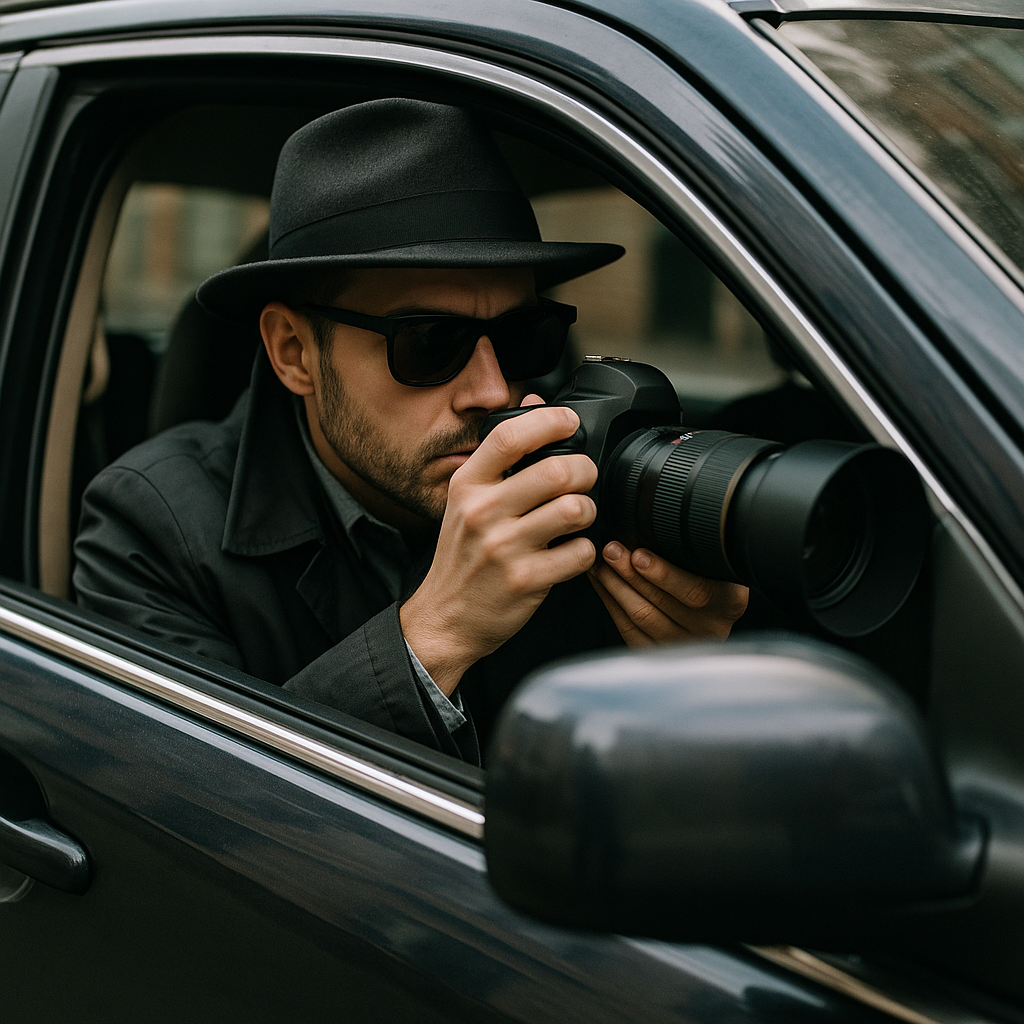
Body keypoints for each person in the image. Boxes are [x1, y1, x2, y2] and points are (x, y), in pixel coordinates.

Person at [74, 99, 747, 763]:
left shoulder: (586, 500)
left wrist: (701, 685)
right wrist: (437, 634)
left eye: (522, 336)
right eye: (430, 343)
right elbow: (191, 805)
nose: (492, 391)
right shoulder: (150, 528)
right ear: (294, 352)